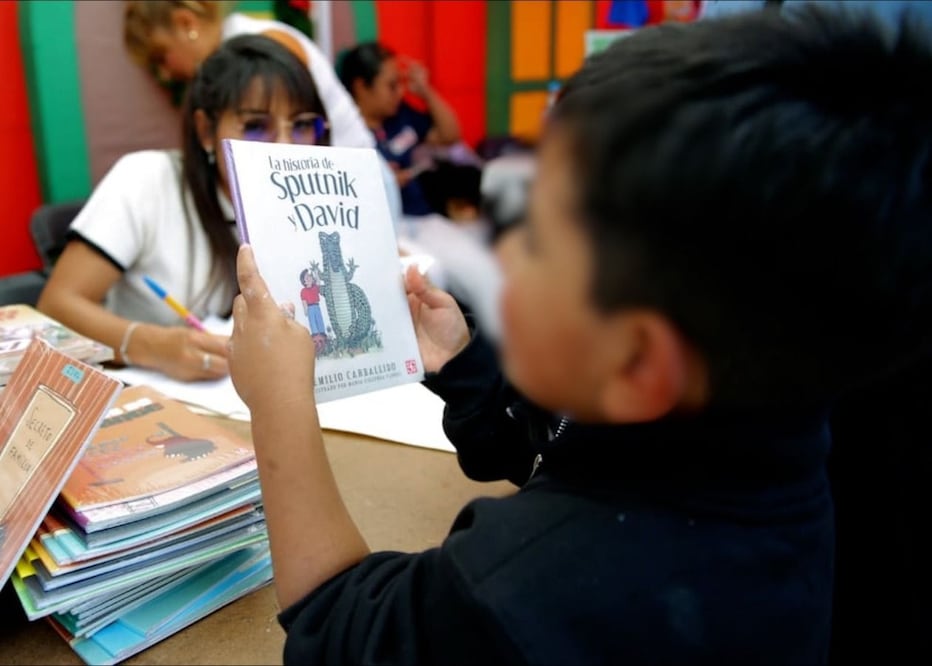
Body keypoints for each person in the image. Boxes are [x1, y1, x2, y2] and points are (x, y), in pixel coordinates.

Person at [226, 7, 932, 664]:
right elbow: (559, 450)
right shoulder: (765, 449)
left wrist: (279, 406)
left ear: (636, 359)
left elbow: (340, 627)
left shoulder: (527, 585)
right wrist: (464, 364)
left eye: (536, 241)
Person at [37, 34, 330, 382]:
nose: (284, 147)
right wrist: (150, 345)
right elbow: (55, 307)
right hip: (156, 397)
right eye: (255, 126)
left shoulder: (317, 204)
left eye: (301, 126)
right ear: (206, 130)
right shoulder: (147, 179)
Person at [338, 41, 462, 216]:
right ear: (361, 87)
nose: (400, 92)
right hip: (379, 223)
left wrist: (424, 91)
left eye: (401, 83)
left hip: (420, 216)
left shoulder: (401, 114)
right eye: (392, 85)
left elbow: (449, 135)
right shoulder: (342, 134)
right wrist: (383, 184)